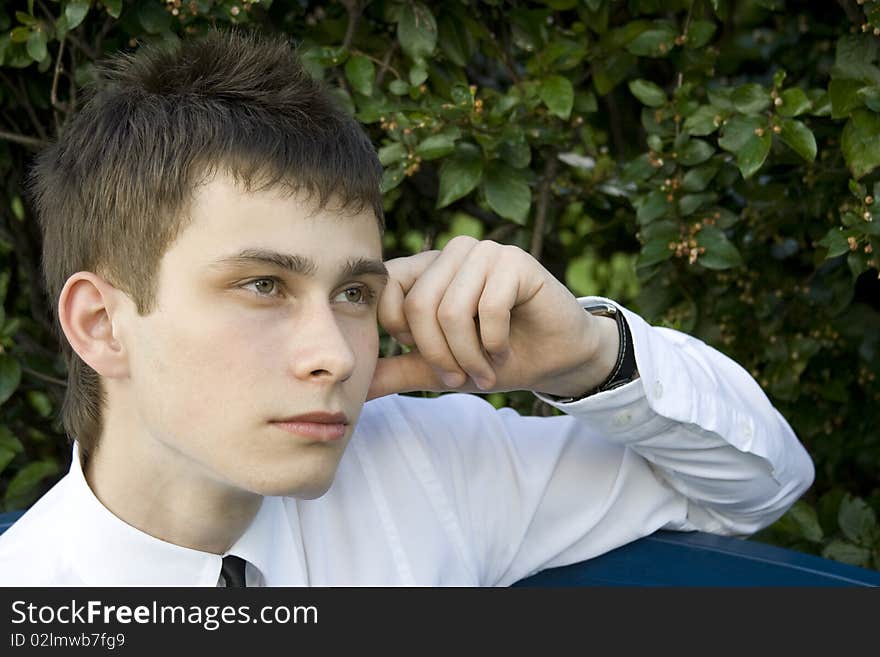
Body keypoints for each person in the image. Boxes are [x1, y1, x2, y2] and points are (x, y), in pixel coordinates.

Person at [0, 29, 814, 586]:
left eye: (354, 292)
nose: (336, 353)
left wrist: (589, 358)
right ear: (100, 324)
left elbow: (753, 484)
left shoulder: (423, 465)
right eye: (263, 286)